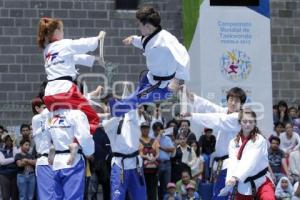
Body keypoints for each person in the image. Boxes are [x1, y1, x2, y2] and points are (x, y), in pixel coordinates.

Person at [110, 5, 190, 117]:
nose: (138, 27)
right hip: (149, 78)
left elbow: (184, 56)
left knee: (138, 97)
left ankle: (117, 110)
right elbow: (144, 42)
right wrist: (132, 39)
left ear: (147, 26)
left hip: (163, 86)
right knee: (136, 95)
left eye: (139, 25)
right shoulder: (149, 35)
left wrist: (176, 80)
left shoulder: (166, 39)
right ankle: (120, 106)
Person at [37, 17, 103, 134]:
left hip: (49, 95)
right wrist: (97, 40)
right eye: (62, 30)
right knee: (92, 119)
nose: (63, 32)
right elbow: (81, 44)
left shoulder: (47, 51)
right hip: (65, 90)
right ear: (57, 31)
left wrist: (94, 59)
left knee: (65, 122)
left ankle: (66, 146)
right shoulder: (64, 44)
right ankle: (78, 145)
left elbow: (72, 58)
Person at [184, 87, 246, 200]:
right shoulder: (225, 112)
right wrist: (191, 97)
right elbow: (209, 107)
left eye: (236, 101)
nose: (232, 103)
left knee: (224, 196)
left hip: (231, 164)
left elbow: (217, 120)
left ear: (241, 104)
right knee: (218, 194)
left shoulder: (238, 118)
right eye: (231, 99)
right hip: (220, 163)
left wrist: (192, 116)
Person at [225, 109, 275, 200]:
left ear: (255, 123)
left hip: (262, 182)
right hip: (243, 184)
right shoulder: (233, 142)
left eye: (250, 122)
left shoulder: (260, 140)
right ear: (240, 123)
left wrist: (236, 176)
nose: (248, 124)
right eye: (245, 121)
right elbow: (232, 161)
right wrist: (230, 178)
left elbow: (250, 161)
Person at [46, 108, 95, 199]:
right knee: (73, 197)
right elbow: (85, 136)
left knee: (57, 197)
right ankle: (75, 144)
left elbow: (46, 136)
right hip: (73, 162)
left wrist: (52, 146)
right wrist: (89, 151)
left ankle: (59, 146)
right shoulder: (76, 113)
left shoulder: (50, 115)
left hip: (57, 160)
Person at [102, 109, 147, 200]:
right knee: (117, 197)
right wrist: (118, 113)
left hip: (136, 164)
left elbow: (141, 120)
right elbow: (107, 125)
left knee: (140, 196)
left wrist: (132, 107)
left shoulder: (133, 117)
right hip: (119, 165)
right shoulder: (108, 122)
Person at [31, 96, 55, 200]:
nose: (46, 109)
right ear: (37, 108)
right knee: (47, 195)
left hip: (54, 161)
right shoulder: (36, 118)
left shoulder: (50, 118)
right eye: (43, 107)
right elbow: (46, 115)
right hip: (44, 161)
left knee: (55, 194)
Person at [139, 121, 159, 200]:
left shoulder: (154, 140)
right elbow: (138, 153)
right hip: (142, 169)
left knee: (153, 189)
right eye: (143, 128)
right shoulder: (138, 140)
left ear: (149, 129)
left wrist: (154, 158)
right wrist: (145, 157)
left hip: (153, 168)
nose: (145, 130)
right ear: (141, 129)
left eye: (146, 128)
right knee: (143, 189)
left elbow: (158, 153)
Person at [0, 133, 19, 200]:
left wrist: (14, 145)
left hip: (14, 174)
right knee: (5, 196)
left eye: (10, 140)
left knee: (14, 195)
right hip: (4, 175)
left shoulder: (15, 148)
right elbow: (2, 162)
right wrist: (13, 159)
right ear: (4, 141)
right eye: (7, 140)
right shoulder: (1, 150)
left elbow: (16, 156)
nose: (9, 142)